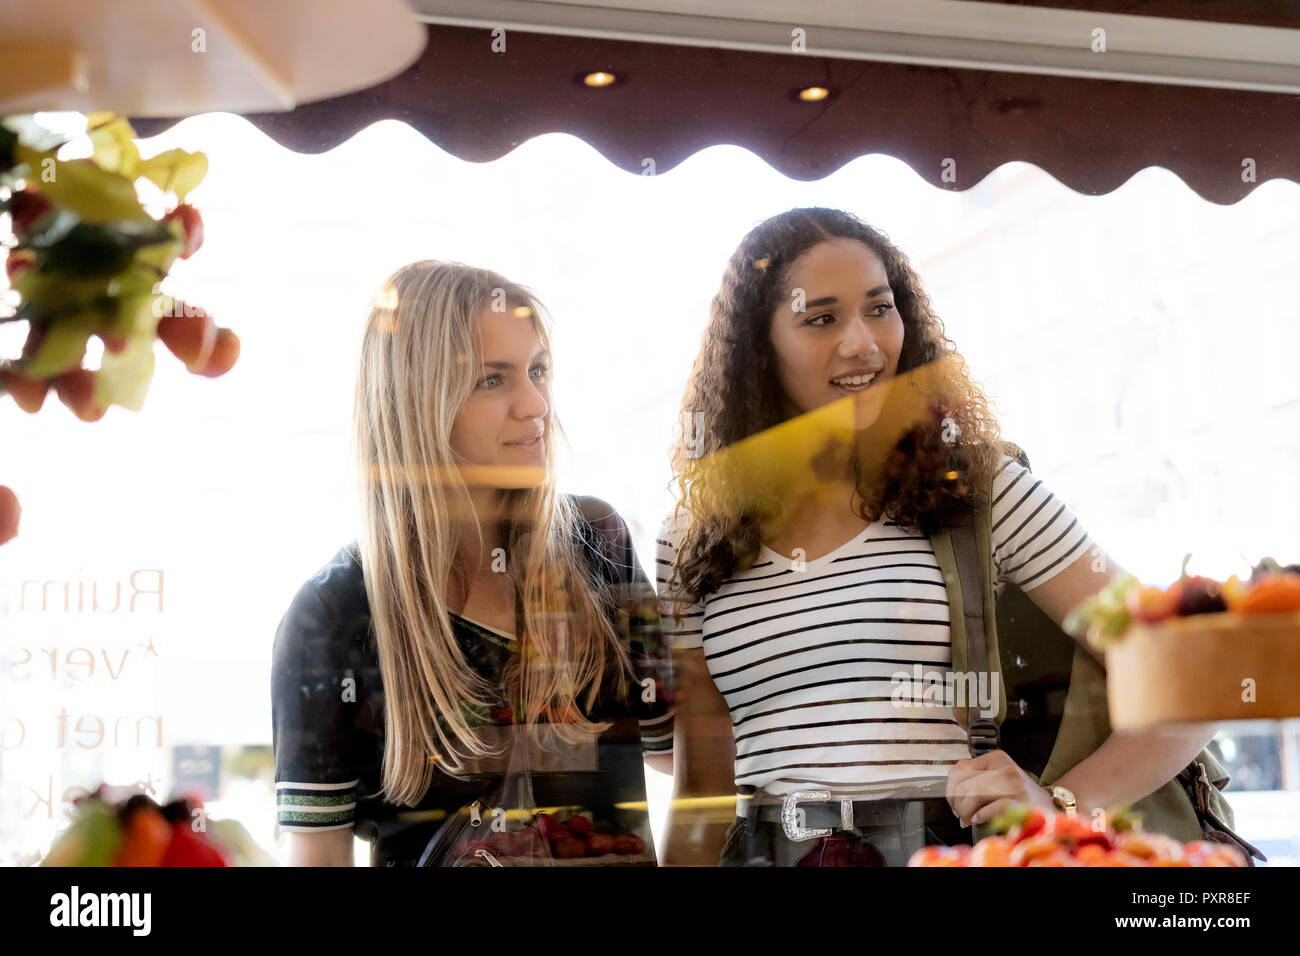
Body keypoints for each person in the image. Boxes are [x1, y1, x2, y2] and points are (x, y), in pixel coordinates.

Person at [656, 207, 1216, 866]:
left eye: (879, 308)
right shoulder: (691, 542)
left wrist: (1060, 805)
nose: (863, 342)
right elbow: (702, 791)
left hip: (939, 851)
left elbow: (1192, 676)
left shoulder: (976, 489)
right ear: (758, 348)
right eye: (822, 318)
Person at [271, 261, 672, 867]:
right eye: (493, 380)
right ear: (416, 399)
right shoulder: (332, 611)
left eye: (538, 370)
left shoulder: (600, 540)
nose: (535, 404)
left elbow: (688, 755)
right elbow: (318, 856)